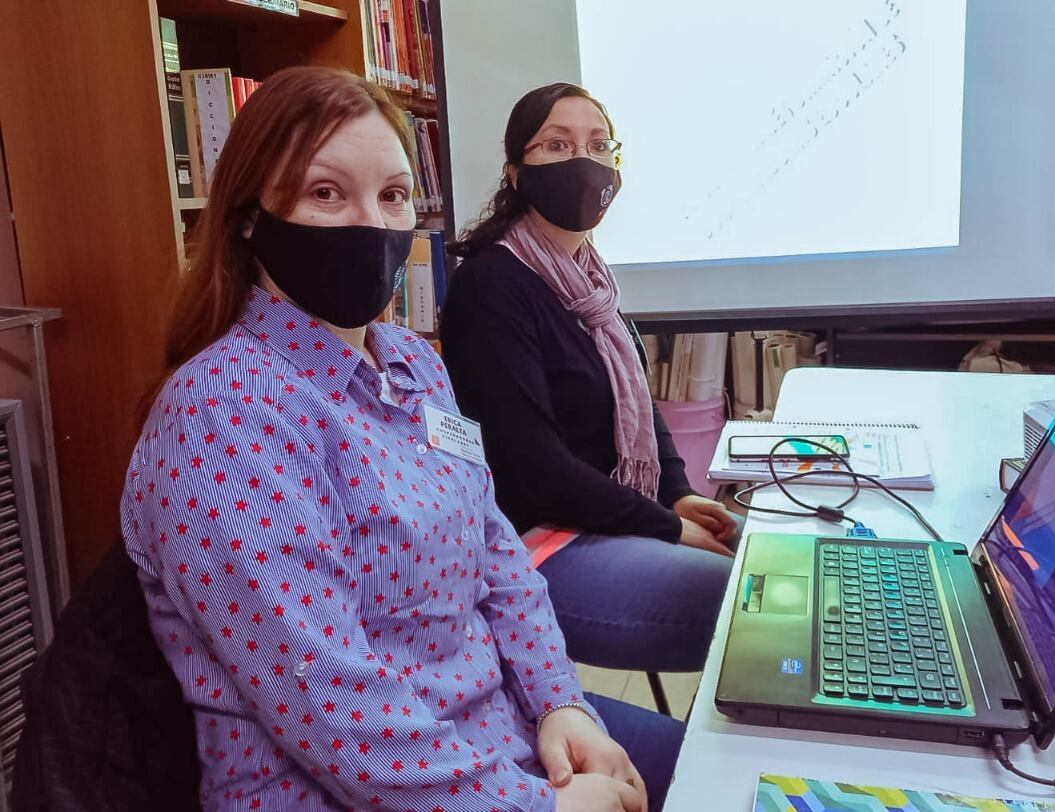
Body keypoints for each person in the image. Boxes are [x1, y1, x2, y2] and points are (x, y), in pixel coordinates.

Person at [120, 66, 681, 812]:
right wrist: (534, 808)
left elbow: (496, 551)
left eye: (391, 195)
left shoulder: (412, 364)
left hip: (503, 732)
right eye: (326, 193)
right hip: (358, 790)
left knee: (747, 774)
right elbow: (333, 706)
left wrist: (561, 704)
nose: (371, 224)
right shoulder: (224, 413)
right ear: (250, 218)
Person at [440, 83, 738, 674]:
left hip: (608, 516)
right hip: (538, 542)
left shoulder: (589, 282)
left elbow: (637, 405)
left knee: (777, 567)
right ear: (516, 172)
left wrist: (676, 491)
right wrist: (664, 525)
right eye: (557, 144)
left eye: (600, 146)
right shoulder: (490, 287)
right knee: (755, 609)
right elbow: (533, 468)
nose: (584, 161)